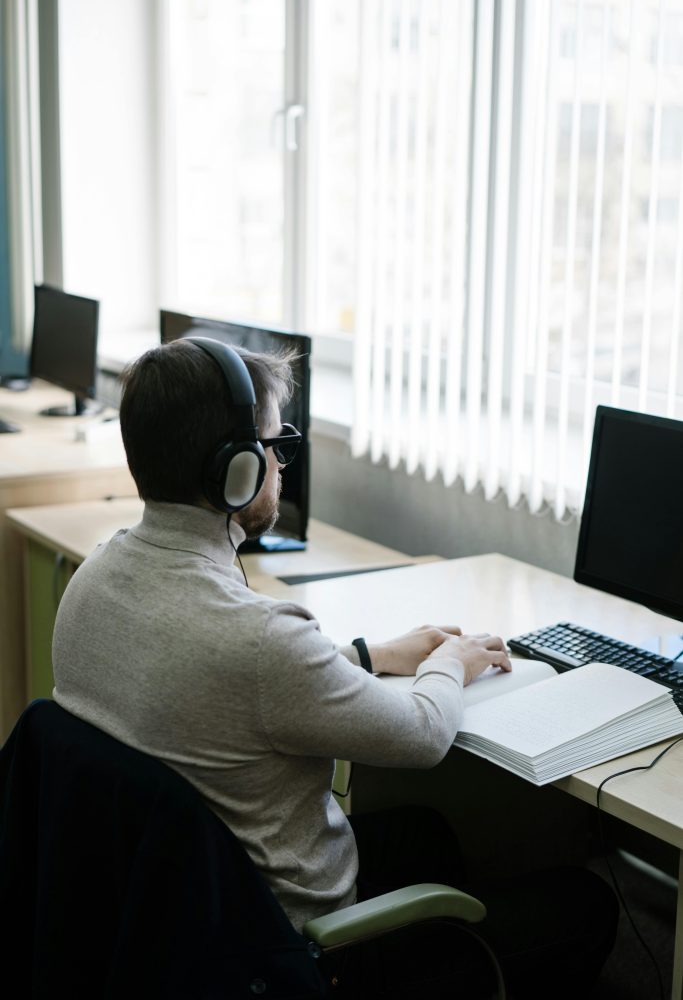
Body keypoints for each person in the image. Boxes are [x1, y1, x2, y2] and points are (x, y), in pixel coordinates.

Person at [52, 337, 618, 997]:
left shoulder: (95, 578)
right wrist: (448, 663)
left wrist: (369, 656)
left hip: (169, 915)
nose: (280, 464)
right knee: (584, 903)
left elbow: (214, 680)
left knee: (425, 831)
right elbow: (420, 735)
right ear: (233, 470)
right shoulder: (260, 638)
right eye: (274, 444)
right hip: (283, 952)